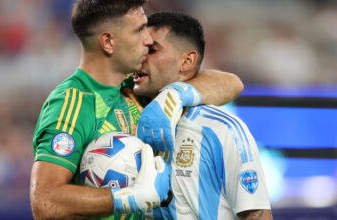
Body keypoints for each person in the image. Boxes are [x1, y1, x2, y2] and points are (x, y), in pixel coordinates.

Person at [30, 0, 243, 219]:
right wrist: (129, 198)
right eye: (139, 30)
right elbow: (45, 201)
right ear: (108, 42)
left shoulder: (136, 87)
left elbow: (231, 83)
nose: (148, 40)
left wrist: (176, 94)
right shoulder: (72, 103)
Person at [134, 12, 272, 219]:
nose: (140, 57)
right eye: (139, 49)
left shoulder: (222, 129)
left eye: (152, 50)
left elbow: (256, 214)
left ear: (187, 60)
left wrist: (174, 93)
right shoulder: (125, 111)